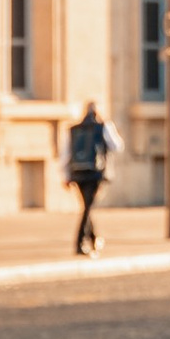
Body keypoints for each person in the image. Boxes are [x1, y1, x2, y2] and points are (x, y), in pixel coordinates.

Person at [62, 101, 118, 256]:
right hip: (95, 173)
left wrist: (65, 175)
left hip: (77, 172)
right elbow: (117, 146)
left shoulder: (74, 129)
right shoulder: (104, 127)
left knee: (87, 207)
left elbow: (65, 154)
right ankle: (79, 243)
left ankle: (93, 239)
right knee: (88, 208)